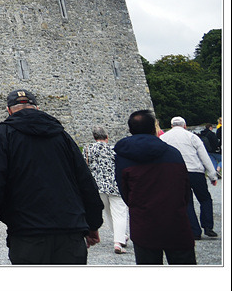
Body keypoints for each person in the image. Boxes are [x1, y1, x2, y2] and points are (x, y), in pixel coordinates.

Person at [0, 88, 102, 264]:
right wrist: (93, 224)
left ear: (9, 110)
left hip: (27, 232)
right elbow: (86, 182)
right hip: (69, 230)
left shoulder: (4, 134)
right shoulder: (61, 135)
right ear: (37, 108)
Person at [114, 109, 196, 264]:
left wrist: (138, 206)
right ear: (154, 128)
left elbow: (125, 192)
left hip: (143, 223)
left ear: (130, 130)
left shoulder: (124, 158)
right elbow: (185, 188)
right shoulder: (173, 153)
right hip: (176, 222)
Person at [159, 116, 218, 239]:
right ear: (185, 125)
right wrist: (212, 176)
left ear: (171, 126)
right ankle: (208, 226)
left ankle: (194, 230)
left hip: (176, 173)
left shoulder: (164, 138)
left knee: (186, 201)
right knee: (205, 199)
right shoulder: (192, 137)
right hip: (196, 171)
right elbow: (204, 157)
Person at [83, 125, 130, 253]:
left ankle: (120, 236)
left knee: (108, 213)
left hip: (97, 186)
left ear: (94, 137)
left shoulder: (88, 149)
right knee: (119, 213)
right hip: (114, 185)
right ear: (107, 137)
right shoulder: (113, 150)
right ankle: (118, 242)